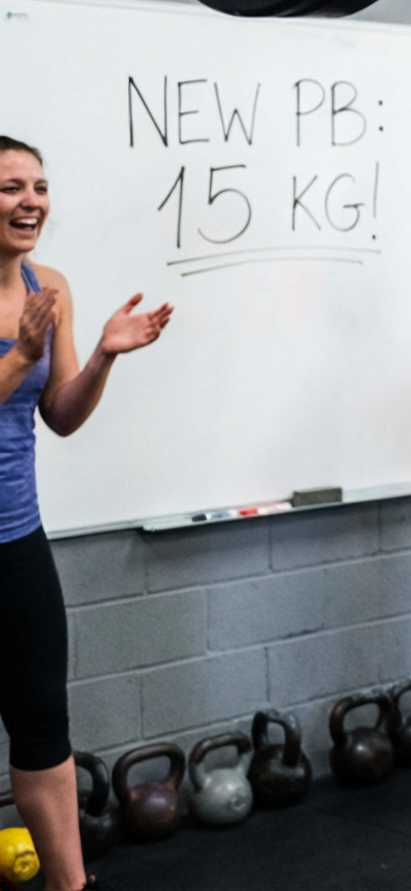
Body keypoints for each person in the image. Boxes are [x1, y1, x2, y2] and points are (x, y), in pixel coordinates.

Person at [1, 136, 171, 891]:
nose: (30, 200)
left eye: (38, 186)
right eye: (10, 187)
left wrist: (102, 354)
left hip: (15, 535)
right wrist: (17, 354)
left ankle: (70, 886)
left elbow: (61, 416)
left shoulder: (50, 285)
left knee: (42, 723)